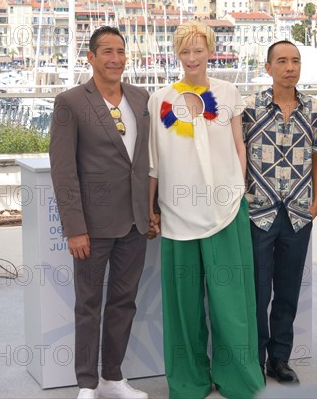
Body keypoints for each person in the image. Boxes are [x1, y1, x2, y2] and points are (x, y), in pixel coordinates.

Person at [148, 21, 264, 398]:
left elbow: (238, 146)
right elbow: (154, 160)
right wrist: (152, 207)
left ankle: (239, 379)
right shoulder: (160, 99)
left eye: (199, 49)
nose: (193, 57)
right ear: (177, 54)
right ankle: (188, 381)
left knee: (231, 303)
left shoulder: (228, 92)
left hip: (226, 210)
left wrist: (240, 190)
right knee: (183, 308)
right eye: (186, 50)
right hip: (177, 212)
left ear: (210, 51)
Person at [49, 26, 150, 399]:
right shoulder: (70, 102)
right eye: (106, 51)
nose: (115, 59)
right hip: (91, 226)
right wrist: (74, 227)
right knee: (88, 304)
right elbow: (63, 170)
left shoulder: (142, 98)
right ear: (90, 58)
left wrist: (151, 210)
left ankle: (112, 377)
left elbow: (148, 160)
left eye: (121, 51)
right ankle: (87, 383)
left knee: (125, 302)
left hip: (136, 223)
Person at [243, 40, 317, 383]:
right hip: (259, 211)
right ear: (268, 68)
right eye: (282, 61)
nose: (290, 67)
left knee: (288, 288)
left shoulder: (315, 108)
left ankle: (280, 358)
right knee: (258, 289)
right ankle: (255, 358)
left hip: (298, 211)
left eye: (295, 61)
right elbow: (238, 154)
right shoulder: (250, 108)